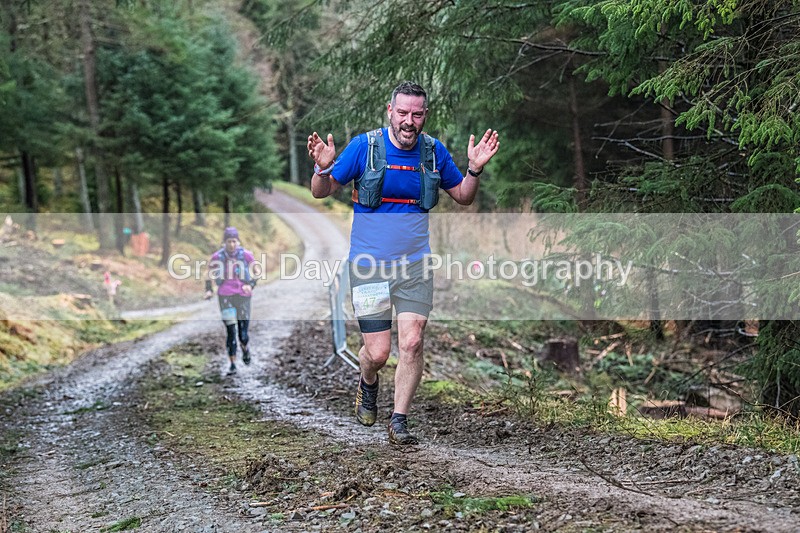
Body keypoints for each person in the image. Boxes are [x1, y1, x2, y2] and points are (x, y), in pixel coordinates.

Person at [307, 81, 500, 445]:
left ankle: (399, 421)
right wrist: (322, 168)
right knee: (378, 354)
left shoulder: (433, 152)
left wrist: (474, 170)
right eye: (403, 113)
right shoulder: (365, 147)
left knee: (412, 342)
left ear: (424, 115)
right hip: (369, 268)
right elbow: (323, 190)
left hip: (415, 266)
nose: (409, 121)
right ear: (389, 111)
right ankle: (367, 380)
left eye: (416, 114)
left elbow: (462, 197)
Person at [205, 227, 257, 375]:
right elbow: (209, 275)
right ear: (224, 242)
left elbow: (257, 272)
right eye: (229, 241)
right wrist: (208, 290)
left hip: (243, 296)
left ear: (238, 241)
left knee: (243, 333)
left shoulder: (246, 255)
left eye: (234, 241)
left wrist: (250, 284)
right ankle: (233, 364)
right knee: (231, 330)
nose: (232, 244)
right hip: (225, 296)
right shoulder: (217, 257)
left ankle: (245, 348)